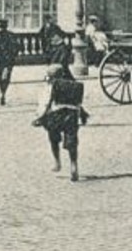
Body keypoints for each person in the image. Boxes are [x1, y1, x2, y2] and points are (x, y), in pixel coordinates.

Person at [32, 47, 89, 182]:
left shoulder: (51, 86)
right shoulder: (73, 85)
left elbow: (45, 103)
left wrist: (39, 118)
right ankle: (74, 165)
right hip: (71, 116)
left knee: (53, 138)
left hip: (56, 116)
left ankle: (57, 162)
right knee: (72, 142)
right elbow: (78, 104)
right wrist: (83, 115)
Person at [0, 18, 20, 106]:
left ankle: (2, 92)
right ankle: (3, 93)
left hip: (0, 59)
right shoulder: (11, 35)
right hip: (9, 59)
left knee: (0, 76)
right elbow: (17, 46)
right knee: (7, 77)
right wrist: (13, 55)